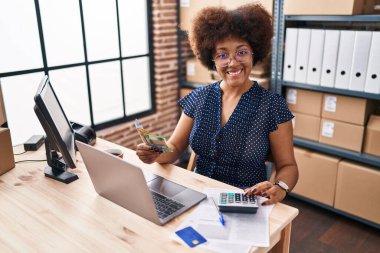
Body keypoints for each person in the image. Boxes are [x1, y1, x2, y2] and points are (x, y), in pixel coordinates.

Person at [136, 4, 298, 206]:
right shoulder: (199, 97)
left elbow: (288, 165)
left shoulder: (273, 106)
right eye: (222, 55)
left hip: (245, 200)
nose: (232, 62)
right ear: (212, 60)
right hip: (196, 195)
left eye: (242, 52)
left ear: (254, 53)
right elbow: (175, 147)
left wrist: (280, 188)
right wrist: (155, 153)